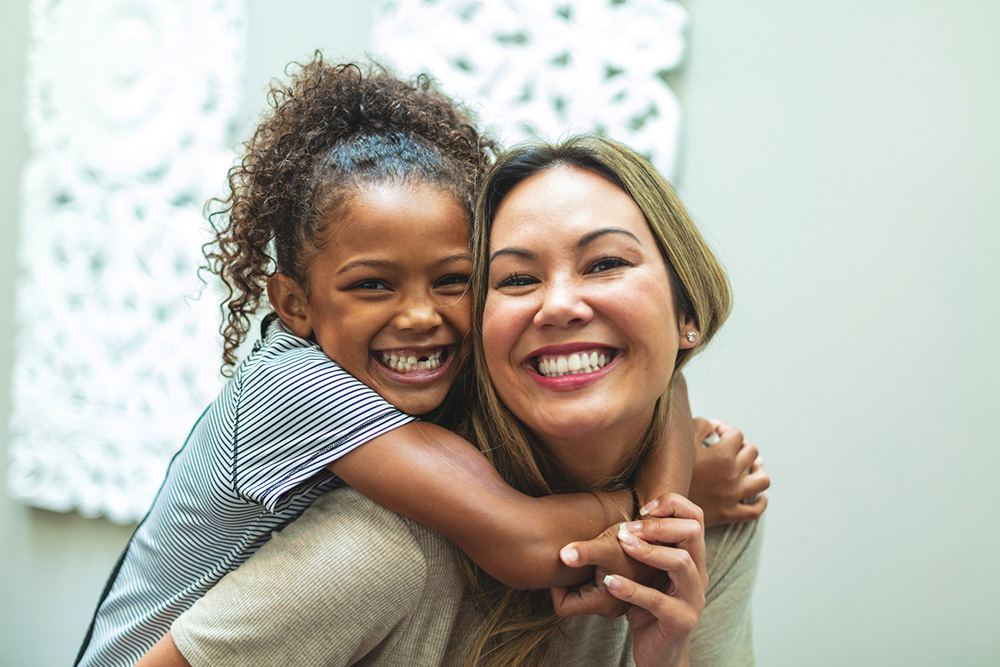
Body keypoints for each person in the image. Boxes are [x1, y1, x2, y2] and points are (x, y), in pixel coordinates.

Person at [75, 57, 722, 667]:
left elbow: (667, 375)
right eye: (372, 285)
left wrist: (665, 483)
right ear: (295, 304)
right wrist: (664, 502)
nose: (420, 315)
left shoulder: (424, 366)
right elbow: (522, 539)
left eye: (452, 281)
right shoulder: (290, 384)